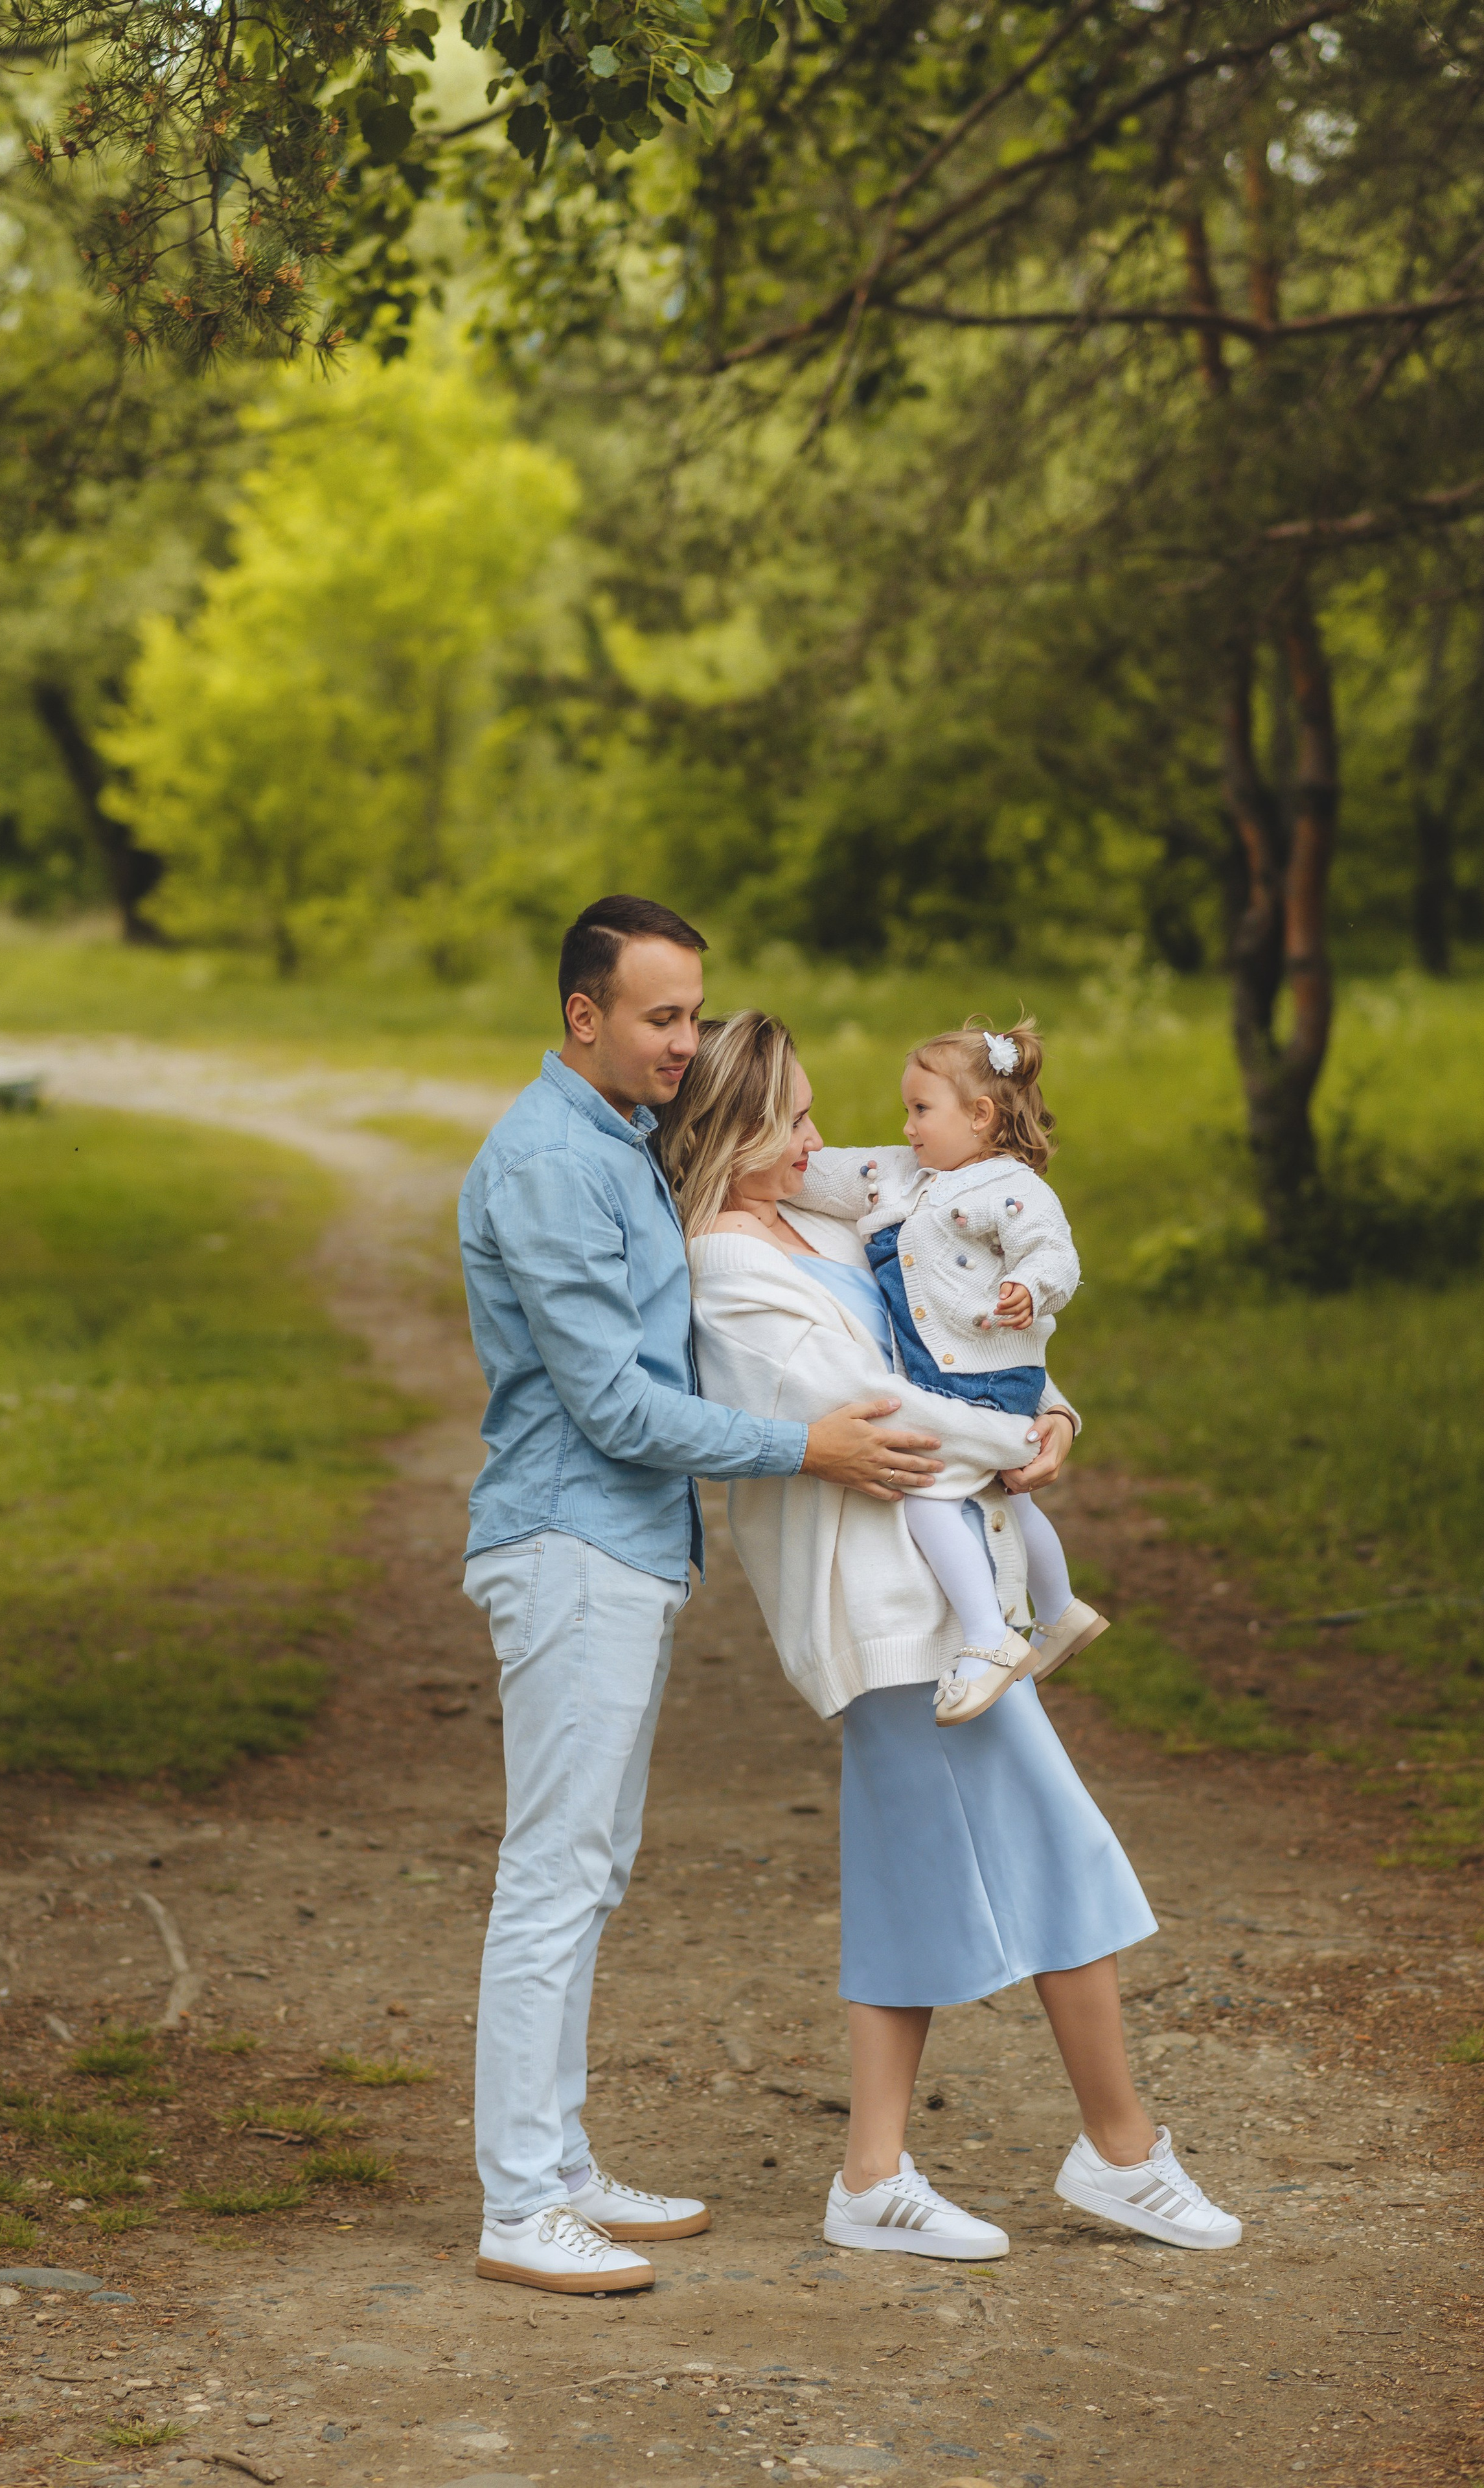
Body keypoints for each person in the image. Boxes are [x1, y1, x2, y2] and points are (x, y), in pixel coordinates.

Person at [668, 1008, 1242, 2259]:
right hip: (877, 1604)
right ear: (741, 1134)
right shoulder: (725, 1268)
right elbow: (875, 1412)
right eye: (796, 1119)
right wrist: (1008, 1439)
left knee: (913, 1868)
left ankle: (875, 2175)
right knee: (1055, 1837)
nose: (825, 1138)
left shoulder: (814, 1214)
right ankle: (1122, 2150)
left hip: (935, 1585)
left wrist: (1056, 1413)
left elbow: (958, 1300)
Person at [457, 896, 949, 2297]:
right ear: (583, 1016)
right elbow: (613, 1406)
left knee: (588, 1869)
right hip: (569, 1541)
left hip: (618, 1551)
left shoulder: (618, 1145)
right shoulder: (554, 1161)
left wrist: (985, 1154)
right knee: (551, 1875)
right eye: (661, 1017)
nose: (685, 1041)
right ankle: (515, 2205)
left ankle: (557, 2167)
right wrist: (809, 1447)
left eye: (690, 1014)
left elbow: (812, 1167)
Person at [796, 1015, 1108, 1726]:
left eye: (920, 1110)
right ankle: (1057, 1612)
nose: (906, 1126)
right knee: (1010, 1495)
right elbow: (825, 1172)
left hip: (987, 1378)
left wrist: (1030, 1288)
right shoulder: (903, 1174)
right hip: (952, 1378)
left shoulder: (1008, 1186)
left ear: (979, 1115)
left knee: (927, 1491)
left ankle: (988, 1637)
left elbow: (1052, 1253)